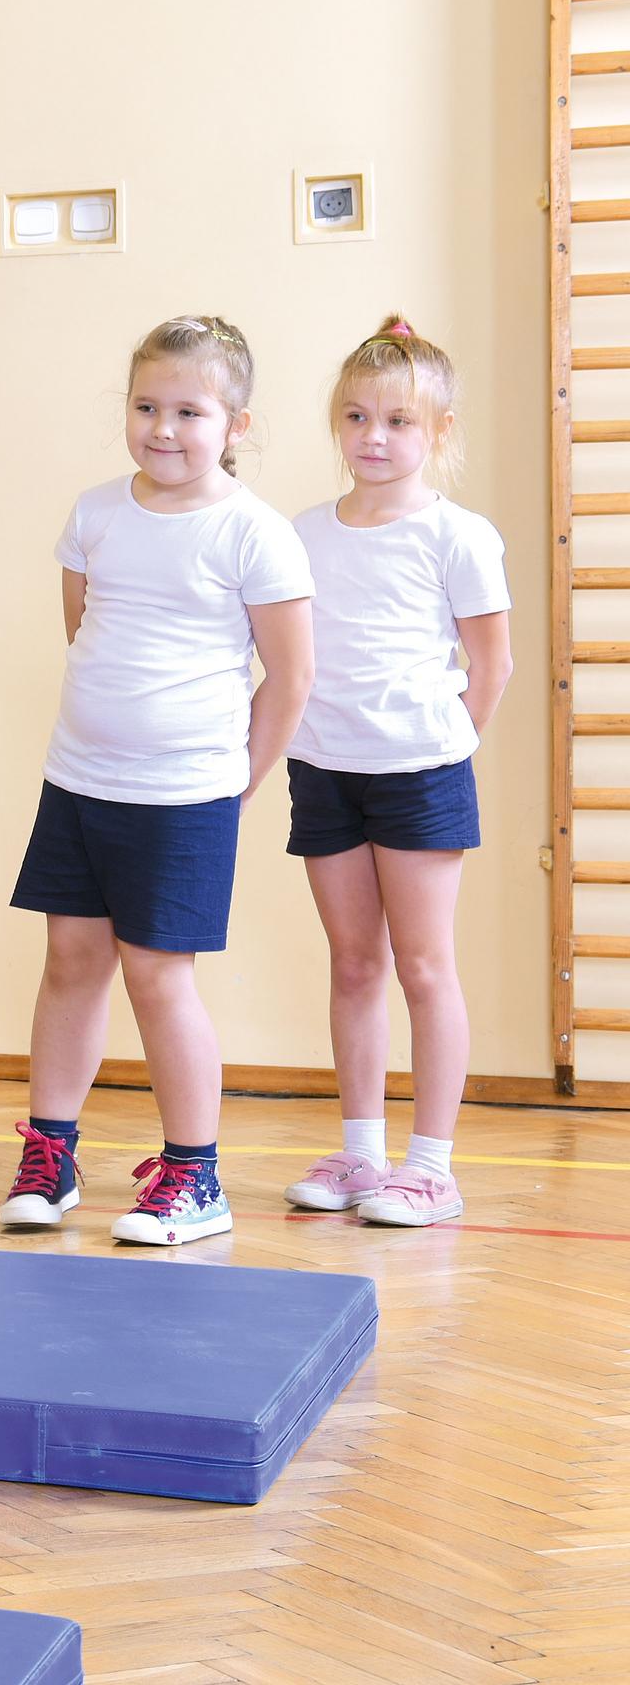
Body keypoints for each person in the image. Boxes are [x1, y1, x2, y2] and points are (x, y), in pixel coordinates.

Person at [0, 316, 314, 1246]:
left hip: (184, 796)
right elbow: (86, 636)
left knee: (157, 978)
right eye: (146, 406)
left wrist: (235, 784)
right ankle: (50, 1155)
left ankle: (194, 1174)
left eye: (189, 410)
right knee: (70, 964)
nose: (163, 428)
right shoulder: (95, 513)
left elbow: (290, 679)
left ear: (236, 424)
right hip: (80, 781)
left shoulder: (254, 534)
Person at [280, 317, 509, 1229]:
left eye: (399, 423)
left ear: (438, 431)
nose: (374, 438)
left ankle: (432, 1166)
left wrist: (444, 745)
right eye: (357, 418)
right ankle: (363, 1152)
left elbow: (491, 669)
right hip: (324, 767)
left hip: (419, 769)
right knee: (351, 964)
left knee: (423, 964)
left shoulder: (460, 536)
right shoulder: (300, 533)